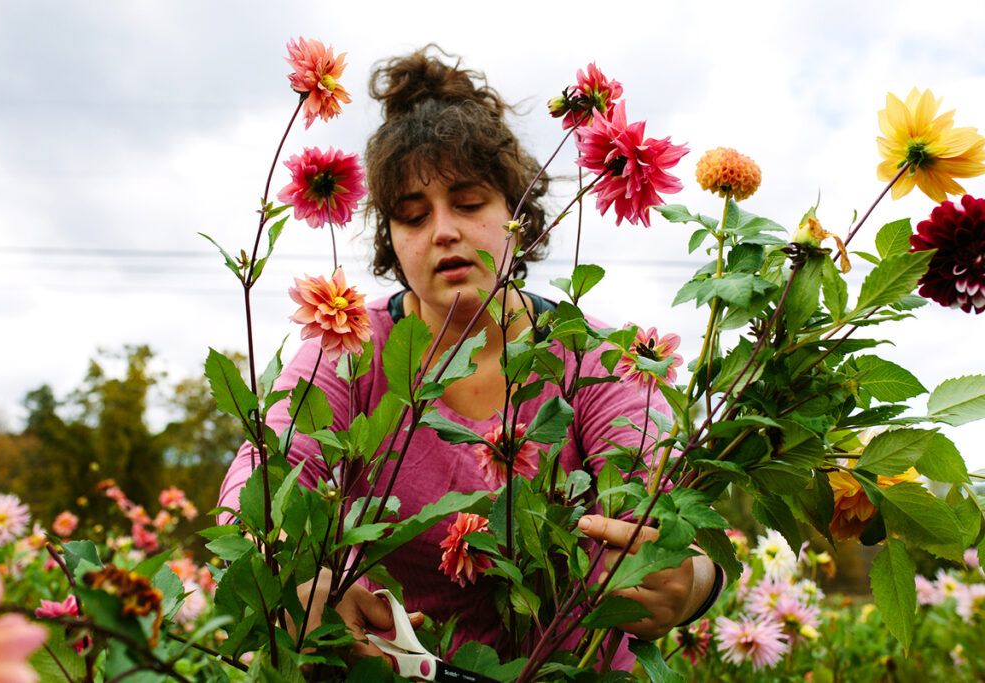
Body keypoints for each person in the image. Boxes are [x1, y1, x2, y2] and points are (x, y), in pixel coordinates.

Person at [218, 45, 719, 670]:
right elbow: (265, 472)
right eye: (412, 215)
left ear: (518, 214)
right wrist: (292, 573)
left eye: (470, 202)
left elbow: (665, 507)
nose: (443, 231)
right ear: (391, 241)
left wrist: (692, 582)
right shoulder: (351, 346)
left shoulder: (595, 356)